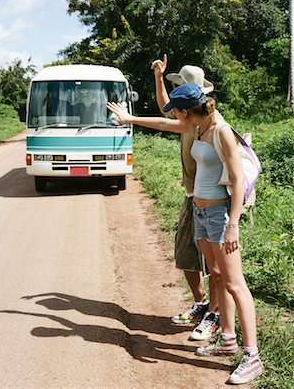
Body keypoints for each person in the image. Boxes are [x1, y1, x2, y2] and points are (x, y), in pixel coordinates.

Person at [107, 83, 264, 385]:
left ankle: (252, 355)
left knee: (234, 283)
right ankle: (228, 339)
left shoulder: (221, 131)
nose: (175, 117)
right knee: (216, 276)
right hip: (200, 212)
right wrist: (130, 120)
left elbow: (236, 182)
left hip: (220, 215)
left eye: (177, 111)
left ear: (187, 110)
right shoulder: (198, 128)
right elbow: (163, 123)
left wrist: (233, 223)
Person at [150, 55, 220, 341]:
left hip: (211, 200)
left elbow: (163, 121)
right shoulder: (187, 116)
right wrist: (158, 77)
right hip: (191, 197)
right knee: (185, 253)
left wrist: (130, 118)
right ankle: (202, 304)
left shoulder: (201, 122)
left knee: (214, 264)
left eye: (180, 86)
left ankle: (214, 314)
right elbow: (166, 109)